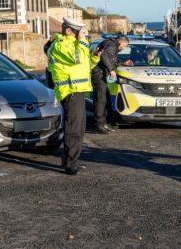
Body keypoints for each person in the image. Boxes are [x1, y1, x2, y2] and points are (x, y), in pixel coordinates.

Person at [47, 18, 99, 175]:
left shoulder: (72, 45)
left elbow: (84, 64)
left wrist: (95, 57)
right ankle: (70, 163)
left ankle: (71, 159)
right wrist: (83, 41)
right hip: (69, 91)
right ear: (69, 31)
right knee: (73, 129)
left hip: (78, 90)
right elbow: (77, 58)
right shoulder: (60, 45)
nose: (81, 35)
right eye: (79, 32)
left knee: (79, 128)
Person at [91, 35, 130, 134]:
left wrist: (123, 63)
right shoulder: (112, 46)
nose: (123, 48)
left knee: (105, 99)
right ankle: (99, 125)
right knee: (100, 99)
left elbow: (110, 60)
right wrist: (111, 70)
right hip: (98, 74)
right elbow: (104, 56)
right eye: (124, 46)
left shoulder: (110, 44)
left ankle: (104, 123)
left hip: (100, 75)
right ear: (121, 43)